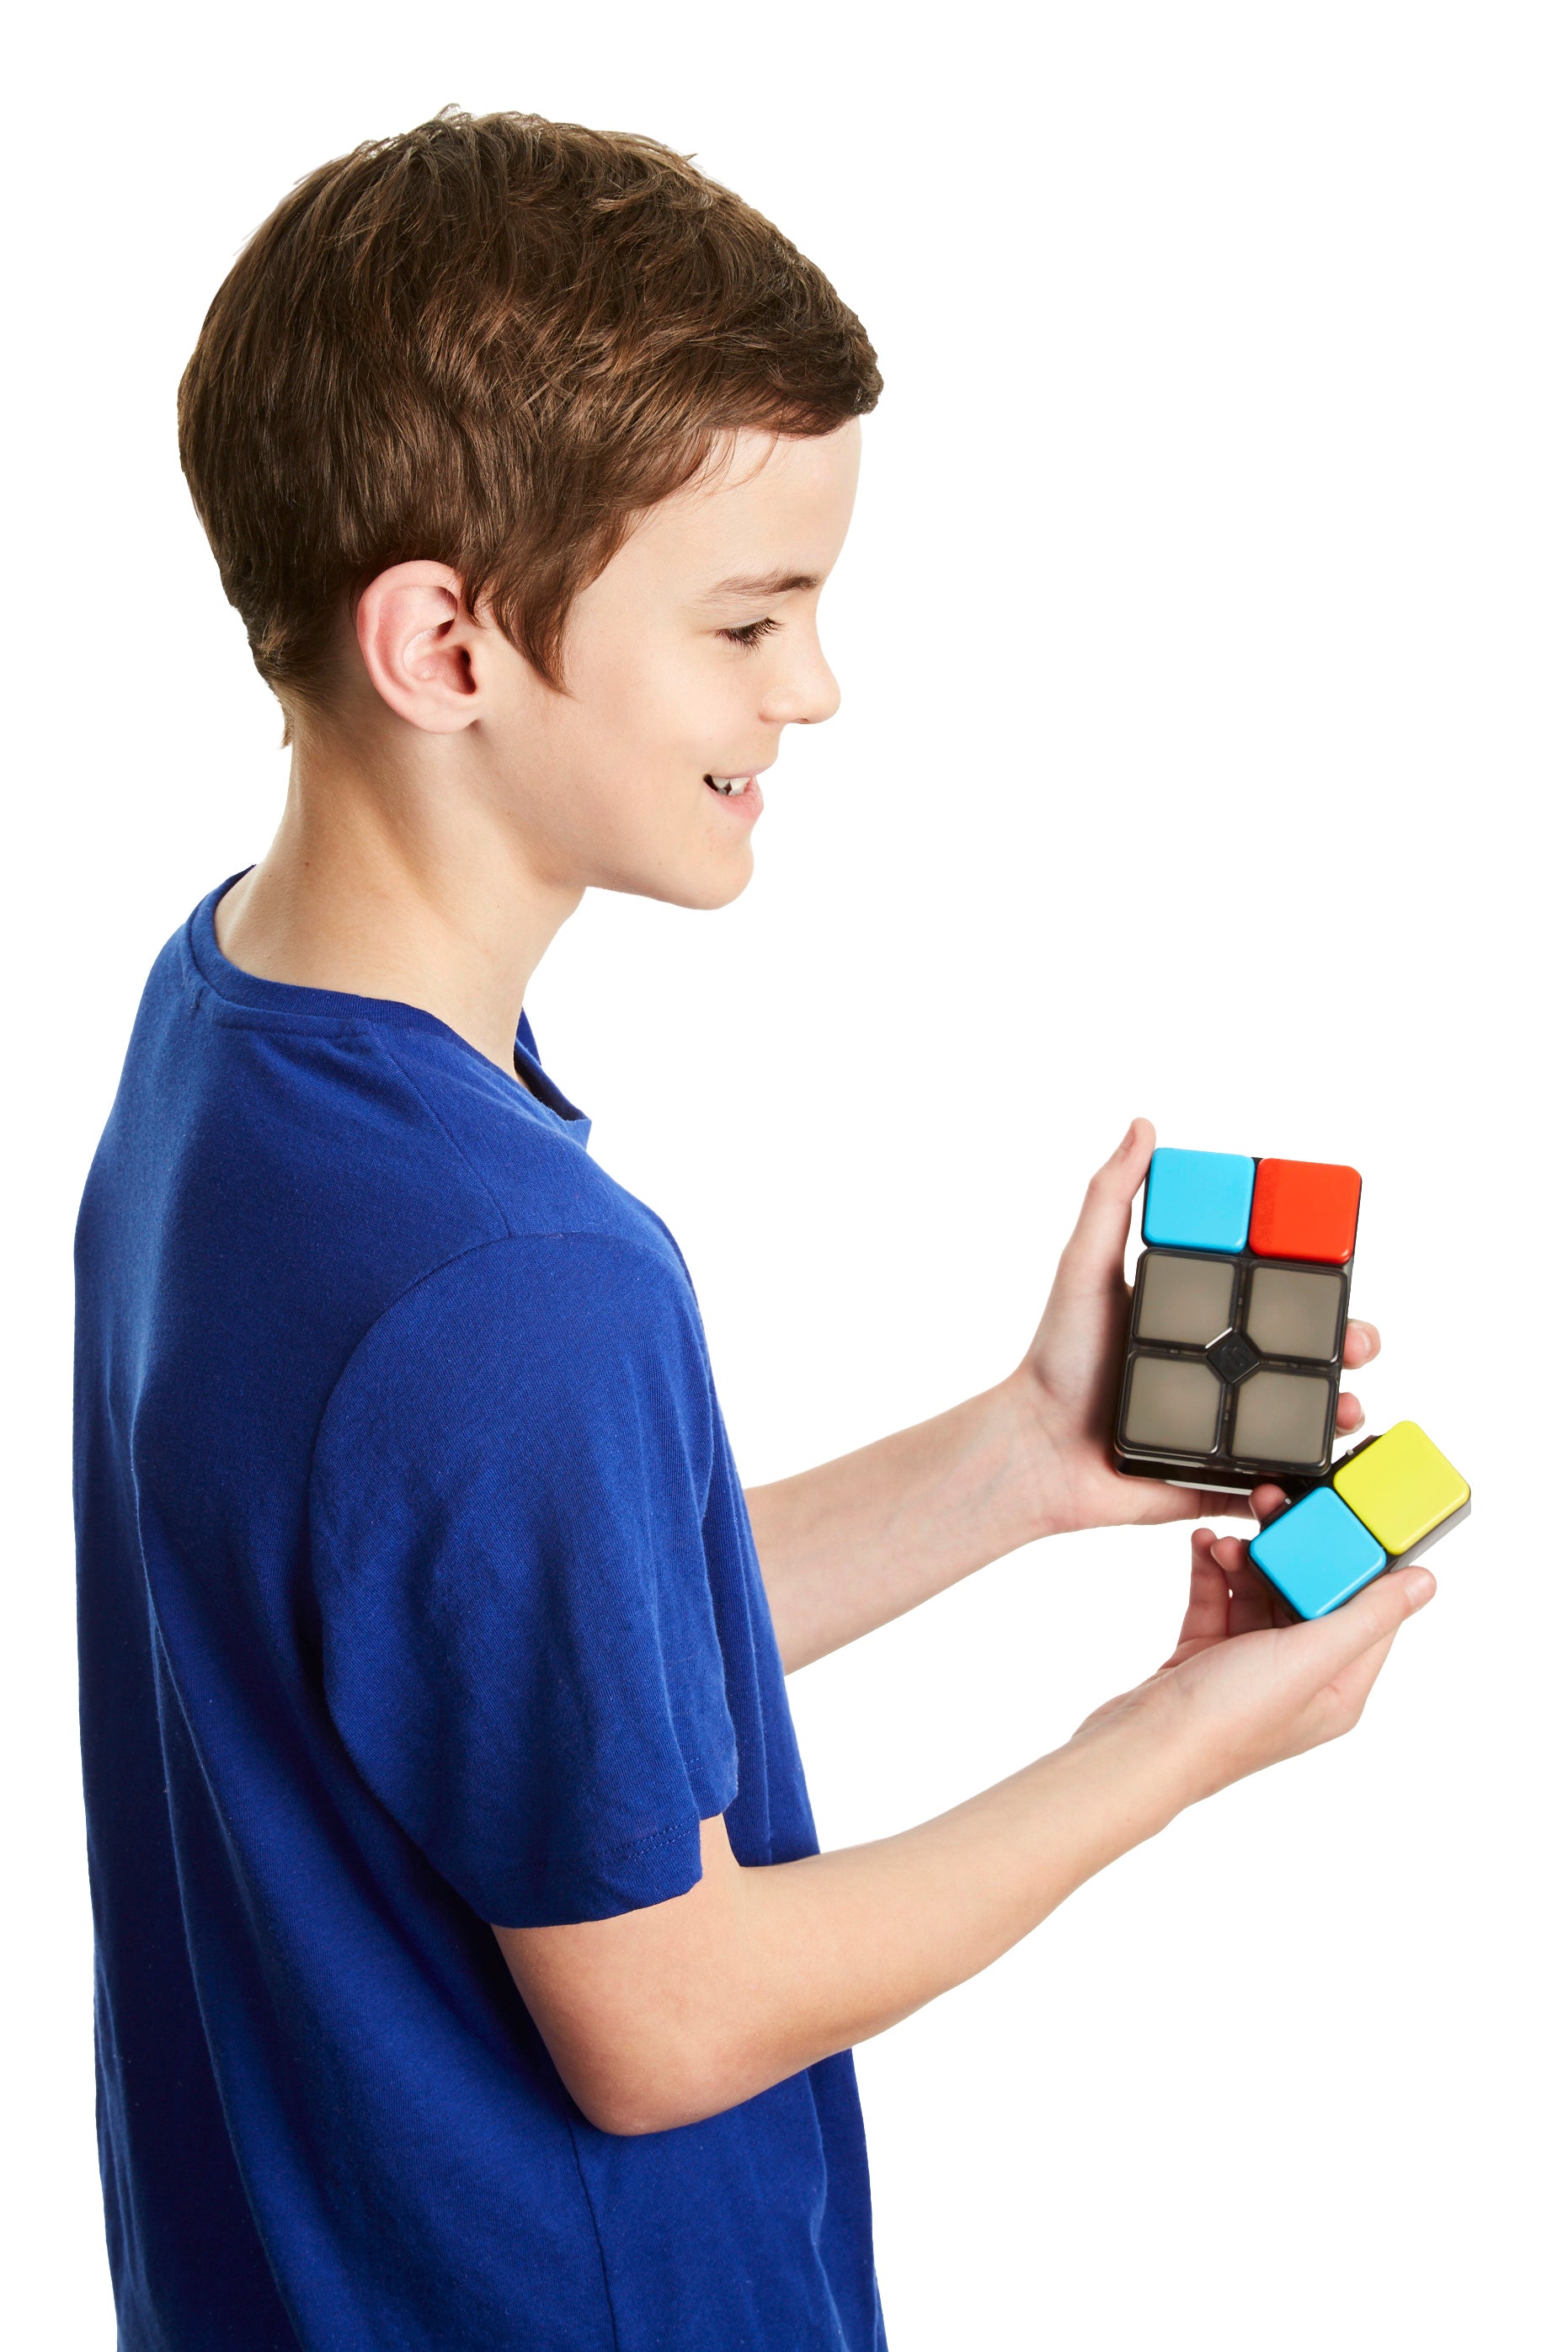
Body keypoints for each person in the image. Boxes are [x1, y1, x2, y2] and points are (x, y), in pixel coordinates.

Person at [73, 109, 1433, 2352]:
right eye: (748, 616)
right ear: (446, 643)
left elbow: (495, 1643)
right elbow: (669, 2013)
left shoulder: (228, 1029)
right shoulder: (521, 1280)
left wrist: (1015, 1460)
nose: (812, 688)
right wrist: (1175, 1735)